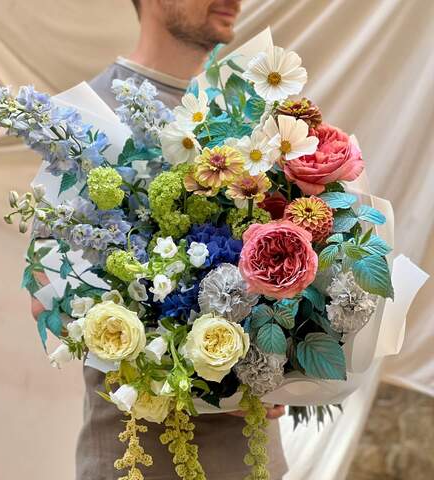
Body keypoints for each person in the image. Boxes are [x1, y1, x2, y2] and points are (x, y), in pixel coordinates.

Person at [31, 1, 289, 478]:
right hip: (139, 463)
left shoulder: (253, 110)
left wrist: (286, 366)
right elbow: (49, 296)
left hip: (256, 464)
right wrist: (216, 379)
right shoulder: (84, 120)